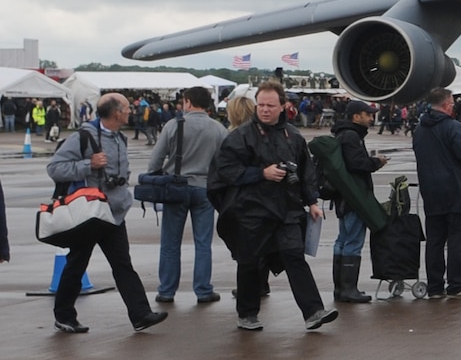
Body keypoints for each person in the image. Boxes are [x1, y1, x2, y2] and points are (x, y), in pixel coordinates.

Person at [210, 81, 335, 332]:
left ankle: (313, 311)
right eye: (261, 105)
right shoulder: (240, 137)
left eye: (270, 105)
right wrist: (260, 174)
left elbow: (306, 171)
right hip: (251, 211)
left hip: (286, 210)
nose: (265, 110)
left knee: (294, 256)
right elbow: (224, 172)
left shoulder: (294, 136)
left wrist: (312, 201)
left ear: (283, 107)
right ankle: (247, 313)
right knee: (250, 263)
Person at [48, 94, 170, 335]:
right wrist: (87, 165)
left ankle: (140, 314)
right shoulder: (82, 137)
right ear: (116, 112)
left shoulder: (120, 138)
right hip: (89, 214)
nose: (131, 111)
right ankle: (64, 316)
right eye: (127, 108)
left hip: (114, 214)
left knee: (123, 264)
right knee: (77, 264)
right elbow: (54, 168)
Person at [151, 85, 226, 306]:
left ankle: (166, 290)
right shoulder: (219, 129)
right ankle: (203, 290)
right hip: (205, 189)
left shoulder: (173, 125)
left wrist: (153, 177)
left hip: (176, 188)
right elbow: (225, 161)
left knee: (170, 243)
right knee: (203, 243)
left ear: (189, 102)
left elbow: (156, 159)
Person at [413, 85, 461, 298]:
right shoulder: (454, 128)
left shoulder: (419, 129)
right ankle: (457, 284)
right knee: (457, 240)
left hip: (432, 191)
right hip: (456, 190)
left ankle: (434, 286)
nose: (454, 106)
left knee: (434, 241)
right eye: (452, 103)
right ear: (446, 104)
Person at [324, 99, 385, 304]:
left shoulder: (342, 133)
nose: (371, 117)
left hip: (344, 197)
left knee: (342, 240)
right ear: (356, 116)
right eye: (367, 114)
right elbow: (356, 164)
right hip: (353, 196)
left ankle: (341, 289)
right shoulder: (351, 136)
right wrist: (377, 162)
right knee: (352, 241)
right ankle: (349, 289)